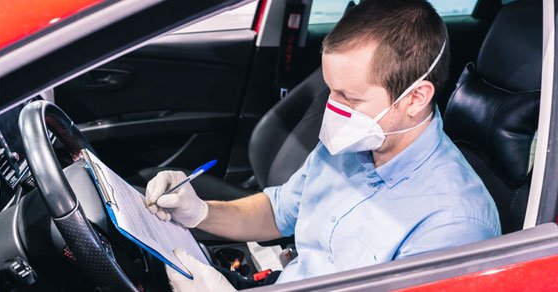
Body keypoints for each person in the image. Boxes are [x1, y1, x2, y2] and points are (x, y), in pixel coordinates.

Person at [145, 0, 501, 290]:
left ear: (415, 98)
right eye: (330, 89)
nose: (332, 108)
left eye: (350, 98)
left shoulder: (454, 224)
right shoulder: (350, 146)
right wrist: (201, 212)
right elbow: (278, 212)